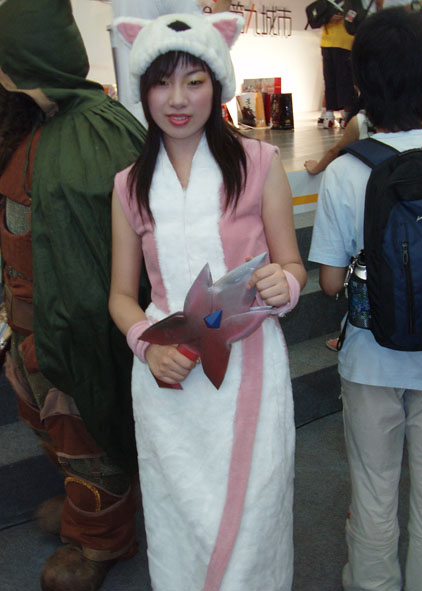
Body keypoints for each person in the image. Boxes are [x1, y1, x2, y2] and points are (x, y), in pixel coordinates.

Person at [109, 11, 306, 591]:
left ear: (217, 83)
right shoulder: (129, 184)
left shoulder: (259, 163)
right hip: (169, 376)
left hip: (249, 369)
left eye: (194, 81)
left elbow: (291, 264)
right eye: (161, 82)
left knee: (254, 518)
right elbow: (121, 296)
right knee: (177, 518)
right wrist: (147, 348)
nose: (177, 100)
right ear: (142, 88)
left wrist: (287, 284)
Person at [0, 1, 150, 590]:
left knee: (84, 435)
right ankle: (91, 508)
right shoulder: (38, 123)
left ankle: (101, 539)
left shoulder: (93, 135)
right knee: (53, 429)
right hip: (31, 328)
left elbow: (91, 273)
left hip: (69, 334)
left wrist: (63, 345)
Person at [309, 7, 422, 591]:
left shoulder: (346, 171)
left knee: (373, 491)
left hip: (369, 360)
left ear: (359, 81)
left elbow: (329, 283)